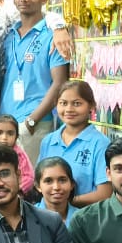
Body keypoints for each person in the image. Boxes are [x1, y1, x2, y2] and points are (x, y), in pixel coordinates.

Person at [0, 0, 70, 167]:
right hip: (4, 121)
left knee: (29, 179)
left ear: (44, 0)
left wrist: (32, 121)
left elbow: (60, 83)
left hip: (35, 123)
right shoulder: (9, 34)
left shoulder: (53, 36)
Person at [37, 79, 112, 208]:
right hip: (47, 214)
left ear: (91, 106)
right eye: (63, 103)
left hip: (84, 215)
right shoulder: (48, 141)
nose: (69, 109)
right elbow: (39, 182)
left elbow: (104, 194)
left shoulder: (100, 143)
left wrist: (64, 201)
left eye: (77, 103)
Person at [0, 114, 34, 195]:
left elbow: (29, 178)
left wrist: (16, 190)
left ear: (16, 137)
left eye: (10, 134)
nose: (4, 137)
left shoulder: (19, 155)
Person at [35, 156, 77, 225]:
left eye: (62, 180)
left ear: (72, 184)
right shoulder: (27, 217)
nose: (56, 187)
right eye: (48, 181)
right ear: (38, 186)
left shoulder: (83, 219)